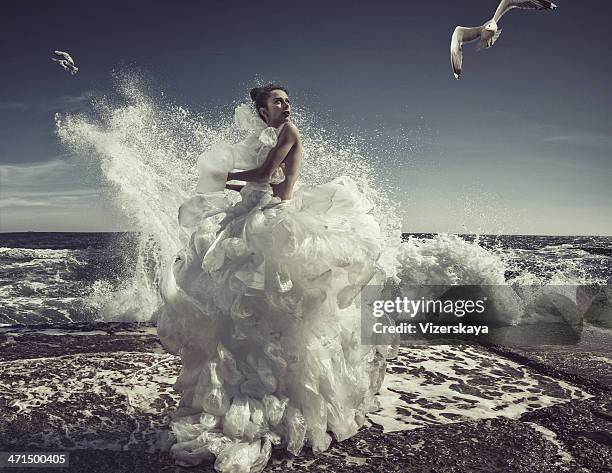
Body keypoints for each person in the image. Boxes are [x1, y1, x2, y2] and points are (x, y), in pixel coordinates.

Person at [157, 84, 395, 473]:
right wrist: (229, 184)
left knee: (273, 313)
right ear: (262, 109)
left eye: (287, 100)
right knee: (248, 315)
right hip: (256, 217)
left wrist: (225, 174)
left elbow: (269, 176)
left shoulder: (289, 132)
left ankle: (284, 404)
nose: (286, 105)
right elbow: (262, 180)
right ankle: (262, 395)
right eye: (277, 101)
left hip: (275, 224)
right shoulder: (272, 135)